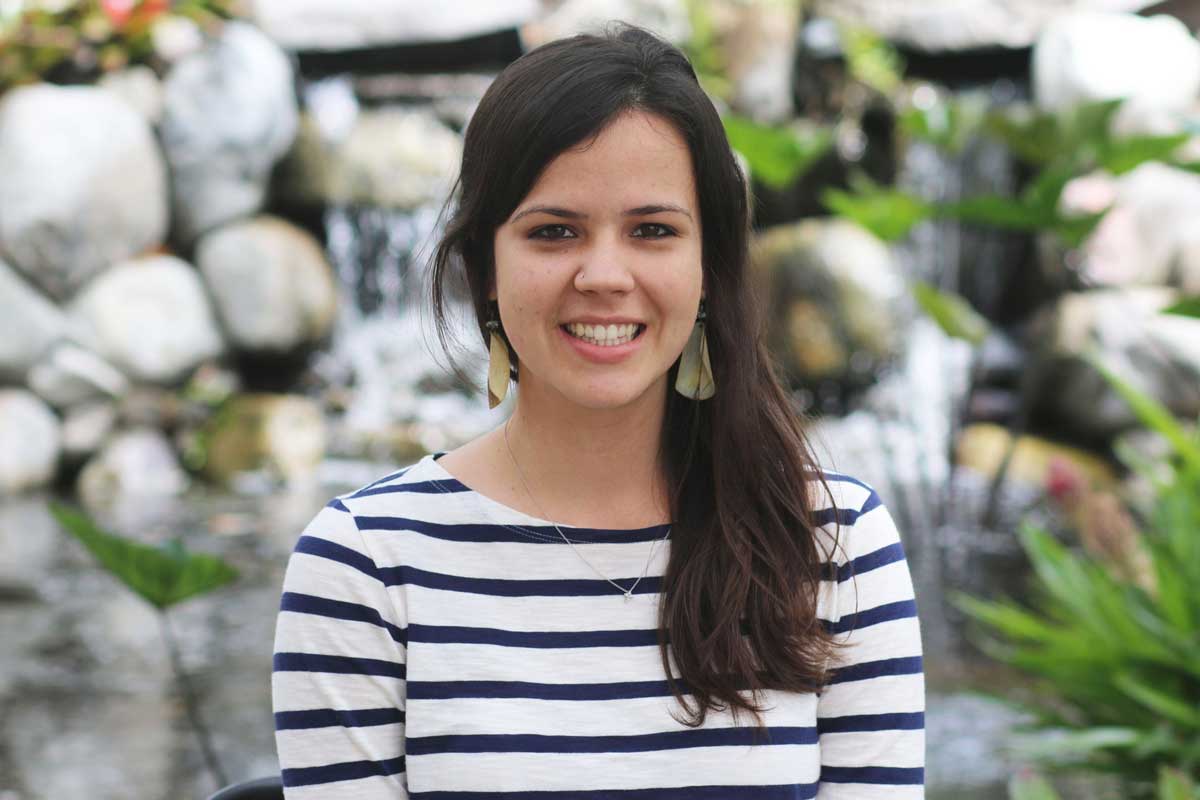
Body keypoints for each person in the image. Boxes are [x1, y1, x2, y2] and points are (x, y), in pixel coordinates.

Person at [272, 23, 924, 799]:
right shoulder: (364, 569)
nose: (605, 275)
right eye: (554, 232)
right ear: (484, 268)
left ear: (710, 266)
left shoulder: (833, 547)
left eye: (652, 230)